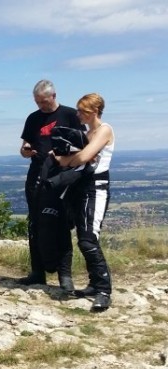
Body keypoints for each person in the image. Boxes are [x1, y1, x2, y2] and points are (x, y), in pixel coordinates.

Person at [19, 80, 84, 291]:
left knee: (62, 223)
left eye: (44, 102)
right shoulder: (33, 118)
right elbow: (23, 148)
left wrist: (61, 156)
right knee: (35, 223)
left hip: (62, 175)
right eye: (37, 102)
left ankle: (65, 275)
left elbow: (82, 145)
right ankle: (37, 272)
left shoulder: (70, 115)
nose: (41, 106)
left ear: (54, 96)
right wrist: (26, 150)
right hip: (37, 173)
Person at [54, 93, 114, 311]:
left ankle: (104, 290)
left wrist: (63, 160)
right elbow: (78, 158)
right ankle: (94, 284)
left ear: (93, 112)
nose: (77, 114)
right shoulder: (89, 133)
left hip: (96, 188)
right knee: (83, 238)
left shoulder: (104, 130)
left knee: (89, 239)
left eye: (81, 111)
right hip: (82, 186)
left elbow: (84, 157)